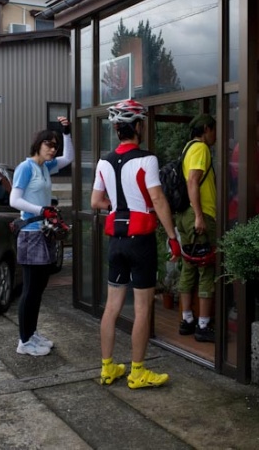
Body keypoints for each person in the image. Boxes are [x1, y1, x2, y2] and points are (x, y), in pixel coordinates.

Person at [90, 99, 181, 389]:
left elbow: (95, 201)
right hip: (140, 240)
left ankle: (107, 368)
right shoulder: (147, 159)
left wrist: (118, 206)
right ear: (138, 126)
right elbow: (157, 199)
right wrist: (172, 237)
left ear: (116, 129)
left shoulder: (104, 161)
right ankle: (137, 371)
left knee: (112, 306)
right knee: (142, 308)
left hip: (116, 240)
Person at [9, 117, 73, 357]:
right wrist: (40, 210)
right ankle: (24, 341)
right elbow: (14, 200)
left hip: (43, 233)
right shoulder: (26, 168)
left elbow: (68, 159)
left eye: (55, 145)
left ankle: (31, 333)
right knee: (30, 288)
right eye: (49, 144)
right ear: (38, 144)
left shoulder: (45, 167)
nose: (53, 149)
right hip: (30, 233)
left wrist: (66, 132)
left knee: (39, 287)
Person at [176, 113, 217, 343]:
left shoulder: (187, 148)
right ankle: (203, 325)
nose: (216, 136)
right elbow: (193, 180)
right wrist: (200, 216)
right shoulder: (201, 148)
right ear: (206, 129)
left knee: (189, 266)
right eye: (214, 130)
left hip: (184, 215)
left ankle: (187, 319)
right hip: (198, 215)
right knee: (205, 268)